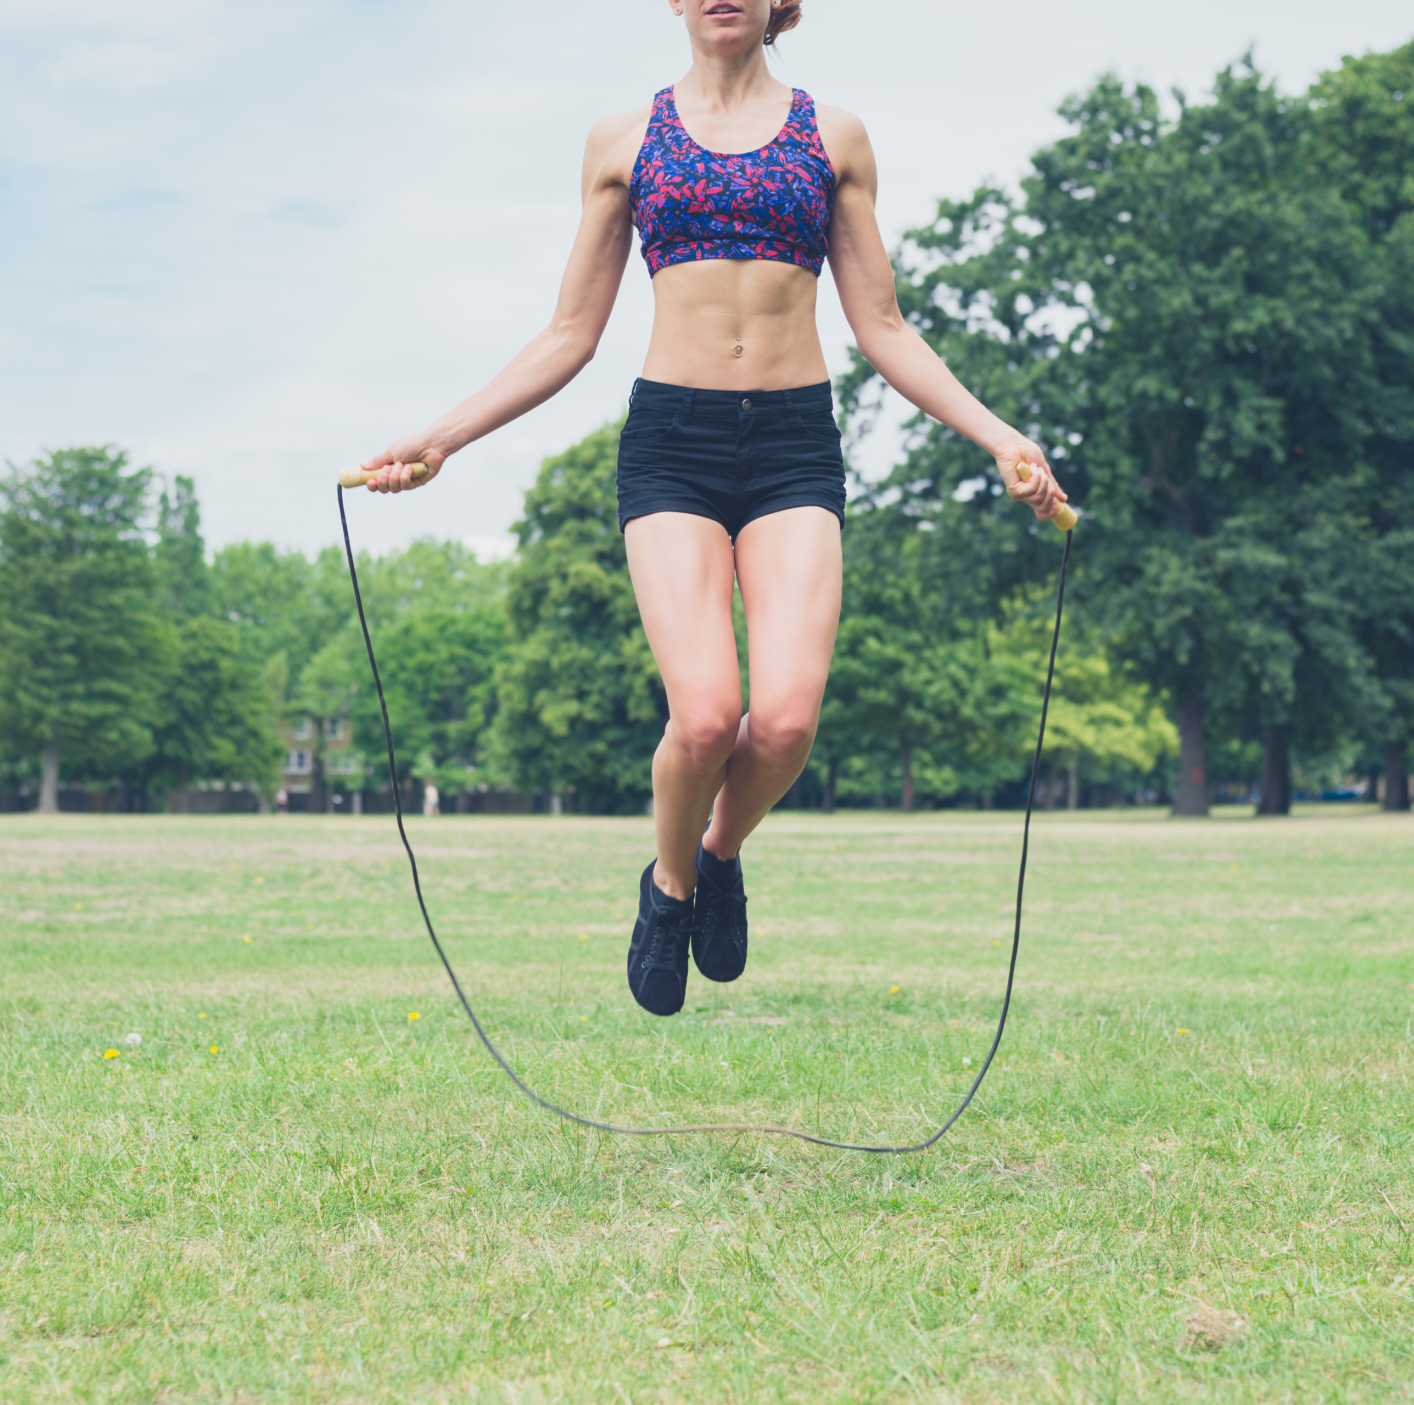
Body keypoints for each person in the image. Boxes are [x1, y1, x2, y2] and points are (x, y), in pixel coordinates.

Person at [357, 0, 1066, 1017]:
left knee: (779, 721)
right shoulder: (621, 140)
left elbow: (882, 327)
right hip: (671, 448)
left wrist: (1000, 435)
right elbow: (568, 333)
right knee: (704, 715)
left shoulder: (833, 136)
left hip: (790, 446)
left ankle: (716, 848)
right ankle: (668, 886)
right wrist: (441, 437)